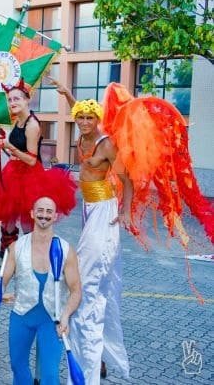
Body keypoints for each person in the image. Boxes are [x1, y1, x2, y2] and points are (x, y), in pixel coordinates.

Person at [51, 77, 133, 383]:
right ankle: (93, 352)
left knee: (88, 276)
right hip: (88, 209)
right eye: (81, 117)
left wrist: (124, 211)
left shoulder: (106, 143)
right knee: (85, 271)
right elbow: (78, 111)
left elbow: (128, 180)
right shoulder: (82, 135)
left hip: (104, 210)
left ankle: (86, 334)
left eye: (90, 117)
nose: (84, 121)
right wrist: (68, 94)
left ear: (98, 119)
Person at [0, 79, 76, 256]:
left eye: (17, 99)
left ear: (27, 100)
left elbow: (31, 160)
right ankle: (7, 261)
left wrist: (11, 148)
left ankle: (29, 260)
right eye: (10, 99)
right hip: (13, 173)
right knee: (7, 222)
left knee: (28, 223)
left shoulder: (32, 125)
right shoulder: (19, 121)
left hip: (30, 178)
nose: (12, 103)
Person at [0, 196, 82, 385]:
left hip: (52, 320)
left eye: (49, 212)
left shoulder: (65, 249)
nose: (44, 215)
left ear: (55, 216)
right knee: (18, 367)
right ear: (32, 214)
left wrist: (66, 315)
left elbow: (76, 290)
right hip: (21, 315)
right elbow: (2, 280)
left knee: (50, 376)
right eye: (40, 210)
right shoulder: (16, 247)